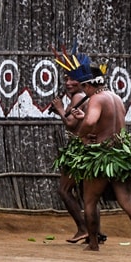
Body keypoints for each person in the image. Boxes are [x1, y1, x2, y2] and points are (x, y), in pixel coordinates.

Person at [52, 46, 131, 255]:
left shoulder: (96, 98)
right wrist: (88, 122)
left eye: (85, 86)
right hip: (121, 155)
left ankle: (93, 243)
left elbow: (91, 121)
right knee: (128, 201)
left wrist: (83, 135)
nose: (85, 90)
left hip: (101, 157)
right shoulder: (116, 98)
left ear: (91, 84)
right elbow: (114, 124)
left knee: (90, 201)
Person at [47, 72, 93, 244]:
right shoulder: (81, 96)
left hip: (78, 149)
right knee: (86, 193)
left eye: (72, 79)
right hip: (83, 148)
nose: (68, 83)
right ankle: (96, 232)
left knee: (64, 190)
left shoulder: (78, 97)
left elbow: (71, 124)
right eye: (66, 79)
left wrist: (59, 108)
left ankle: (83, 228)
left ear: (82, 82)